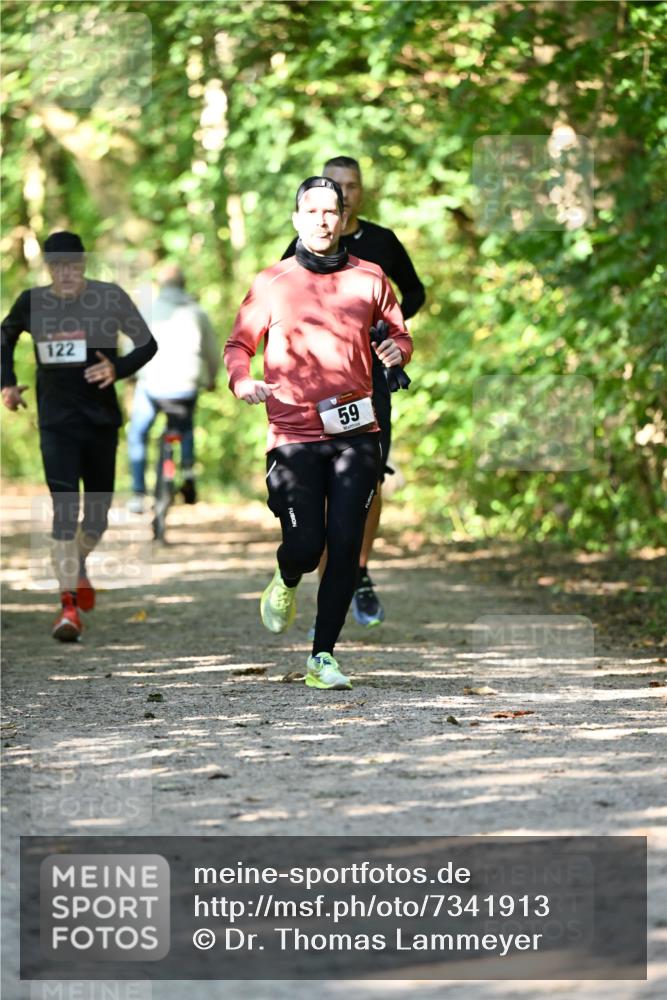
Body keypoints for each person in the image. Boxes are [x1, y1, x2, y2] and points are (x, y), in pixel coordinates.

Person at [224, 176, 413, 689]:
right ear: (297, 219)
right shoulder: (272, 282)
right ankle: (286, 578)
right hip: (292, 433)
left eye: (332, 211)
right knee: (306, 545)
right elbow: (239, 344)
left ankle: (321, 657)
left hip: (356, 430)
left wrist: (398, 350)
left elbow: (399, 333)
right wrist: (242, 381)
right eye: (312, 212)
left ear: (344, 216)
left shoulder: (371, 277)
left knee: (346, 544)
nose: (323, 220)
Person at [283, 156, 425, 629]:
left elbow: (416, 294)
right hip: (317, 382)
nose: (341, 197)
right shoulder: (303, 243)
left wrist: (386, 331)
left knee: (369, 477)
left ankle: (357, 571)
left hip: (371, 379)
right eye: (333, 188)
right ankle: (326, 571)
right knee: (321, 478)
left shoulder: (382, 243)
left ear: (358, 195)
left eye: (351, 187)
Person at [1, 231, 157, 641]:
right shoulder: (32, 302)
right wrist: (8, 383)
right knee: (64, 509)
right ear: (48, 268)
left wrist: (117, 370)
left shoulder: (108, 297)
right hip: (56, 422)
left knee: (98, 515)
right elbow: (5, 336)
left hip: (101, 420)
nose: (66, 273)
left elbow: (147, 343)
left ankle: (77, 564)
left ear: (84, 264)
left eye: (73, 265)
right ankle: (67, 605)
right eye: (58, 266)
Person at [126, 263, 219, 513]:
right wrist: (212, 378)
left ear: (160, 286)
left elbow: (130, 346)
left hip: (152, 385)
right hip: (185, 386)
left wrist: (129, 374)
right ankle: (188, 472)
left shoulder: (146, 311)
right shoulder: (197, 312)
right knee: (185, 429)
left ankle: (137, 492)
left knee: (138, 433)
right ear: (183, 285)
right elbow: (212, 352)